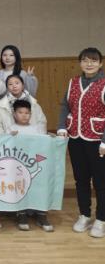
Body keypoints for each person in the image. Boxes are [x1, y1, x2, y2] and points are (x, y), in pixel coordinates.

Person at [57, 47, 105, 238]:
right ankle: (84, 215)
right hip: (75, 139)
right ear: (80, 63)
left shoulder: (104, 84)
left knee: (101, 181)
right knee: (81, 179)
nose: (89, 64)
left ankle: (101, 219)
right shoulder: (73, 82)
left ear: (100, 63)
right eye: (85, 60)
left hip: (98, 141)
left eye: (93, 60)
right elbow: (65, 106)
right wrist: (61, 127)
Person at [10, 100, 54, 232]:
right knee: (21, 188)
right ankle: (21, 214)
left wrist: (52, 138)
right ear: (14, 114)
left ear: (31, 114)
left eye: (27, 113)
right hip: (19, 166)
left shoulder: (37, 128)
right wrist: (11, 137)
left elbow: (44, 144)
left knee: (39, 187)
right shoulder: (12, 129)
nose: (24, 115)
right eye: (20, 112)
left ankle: (41, 215)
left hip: (35, 164)